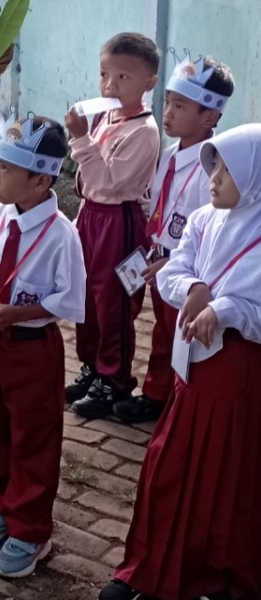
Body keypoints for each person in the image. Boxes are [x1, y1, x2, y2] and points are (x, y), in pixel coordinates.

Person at [99, 123, 261, 600]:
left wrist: (227, 310)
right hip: (190, 371)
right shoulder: (205, 219)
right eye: (213, 166)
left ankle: (218, 577)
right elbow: (173, 270)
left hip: (236, 377)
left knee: (224, 480)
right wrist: (194, 286)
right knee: (169, 468)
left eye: (228, 171)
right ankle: (150, 570)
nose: (214, 178)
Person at [0, 112, 86, 578]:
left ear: (41, 179)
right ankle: (3, 502)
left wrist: (15, 314)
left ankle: (32, 530)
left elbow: (69, 299)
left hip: (32, 350)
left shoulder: (61, 235)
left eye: (5, 169)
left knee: (34, 437)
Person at [112, 53, 234, 423]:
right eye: (167, 102)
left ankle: (173, 398)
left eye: (180, 106)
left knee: (179, 331)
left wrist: (174, 261)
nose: (168, 113)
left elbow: (210, 231)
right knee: (163, 330)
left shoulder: (213, 168)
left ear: (209, 117)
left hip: (185, 266)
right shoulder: (169, 154)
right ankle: (157, 392)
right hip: (160, 257)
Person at [64, 32, 161, 419]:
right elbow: (89, 183)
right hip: (92, 217)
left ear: (149, 83)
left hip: (119, 223)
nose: (110, 85)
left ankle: (115, 377)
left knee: (114, 302)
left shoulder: (144, 131)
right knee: (86, 295)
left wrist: (80, 138)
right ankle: (93, 366)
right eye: (105, 74)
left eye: (123, 77)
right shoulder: (107, 117)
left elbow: (107, 182)